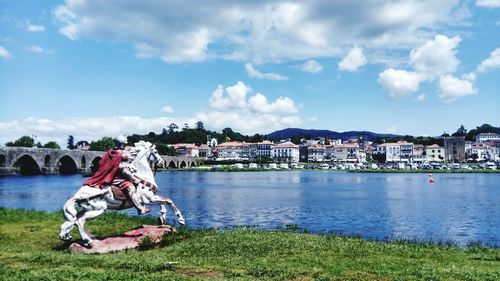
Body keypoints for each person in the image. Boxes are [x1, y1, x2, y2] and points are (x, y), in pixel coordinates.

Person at [83, 135, 151, 215]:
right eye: (124, 143)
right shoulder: (120, 154)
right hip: (119, 178)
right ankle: (140, 208)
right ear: (122, 143)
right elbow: (122, 169)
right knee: (131, 188)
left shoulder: (113, 151)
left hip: (116, 175)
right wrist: (133, 178)